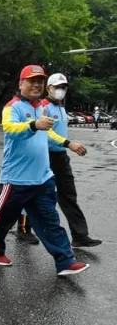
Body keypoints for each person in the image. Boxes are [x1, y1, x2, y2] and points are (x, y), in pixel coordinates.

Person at [0, 65, 89, 276]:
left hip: (42, 178)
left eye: (40, 81)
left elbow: (47, 134)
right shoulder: (12, 107)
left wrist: (67, 143)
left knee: (50, 221)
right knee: (3, 220)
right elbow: (11, 130)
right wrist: (33, 125)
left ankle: (65, 261)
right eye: (32, 81)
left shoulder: (42, 106)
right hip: (17, 179)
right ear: (21, 83)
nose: (36, 85)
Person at [17, 73, 102, 248]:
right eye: (57, 87)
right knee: (33, 192)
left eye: (63, 87)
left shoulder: (61, 108)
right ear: (49, 88)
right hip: (45, 155)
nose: (61, 90)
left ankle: (79, 235)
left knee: (68, 194)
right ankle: (24, 228)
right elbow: (44, 135)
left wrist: (66, 146)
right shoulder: (43, 107)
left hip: (61, 156)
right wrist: (68, 143)